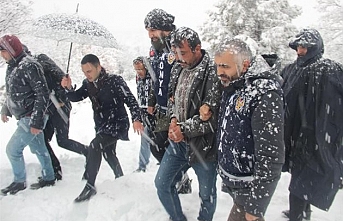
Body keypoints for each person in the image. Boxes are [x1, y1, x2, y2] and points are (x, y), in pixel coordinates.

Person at [154, 27, 221, 221]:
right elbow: (171, 100)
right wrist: (174, 120)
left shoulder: (213, 71)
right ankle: (177, 218)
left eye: (183, 53)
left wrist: (184, 129)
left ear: (197, 48)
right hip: (179, 144)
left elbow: (213, 118)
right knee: (162, 184)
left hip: (204, 147)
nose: (179, 58)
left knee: (207, 195)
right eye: (175, 53)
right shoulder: (176, 67)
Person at [214, 38, 284, 221]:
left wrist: (256, 205)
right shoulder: (235, 83)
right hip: (237, 183)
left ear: (245, 64)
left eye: (224, 66)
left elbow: (271, 154)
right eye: (217, 66)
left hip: (249, 186)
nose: (219, 72)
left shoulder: (265, 93)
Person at [61, 54, 144, 202]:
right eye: (84, 72)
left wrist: (136, 119)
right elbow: (76, 97)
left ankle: (90, 186)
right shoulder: (88, 83)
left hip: (117, 123)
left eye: (89, 71)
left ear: (98, 67)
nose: (87, 75)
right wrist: (67, 88)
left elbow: (130, 100)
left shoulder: (115, 81)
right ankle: (120, 178)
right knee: (108, 153)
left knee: (95, 145)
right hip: (101, 124)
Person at [281, 28, 343, 221]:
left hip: (316, 133)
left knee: (304, 175)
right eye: (299, 46)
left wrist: (324, 133)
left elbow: (334, 104)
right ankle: (302, 211)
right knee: (299, 174)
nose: (300, 51)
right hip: (294, 132)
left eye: (306, 47)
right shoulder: (292, 69)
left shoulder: (328, 69)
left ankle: (297, 215)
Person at [0, 35, 55, 195]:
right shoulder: (13, 66)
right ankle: (49, 177)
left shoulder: (30, 66)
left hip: (31, 117)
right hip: (25, 116)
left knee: (12, 150)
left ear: (11, 50)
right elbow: (12, 92)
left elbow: (42, 94)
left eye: (3, 51)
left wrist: (36, 122)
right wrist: (6, 109)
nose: (2, 55)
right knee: (39, 148)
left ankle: (19, 182)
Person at [23, 45, 88, 181]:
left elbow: (61, 78)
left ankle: (89, 152)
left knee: (62, 141)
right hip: (49, 110)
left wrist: (63, 92)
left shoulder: (41, 60)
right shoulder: (27, 70)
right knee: (43, 140)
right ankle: (55, 170)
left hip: (61, 107)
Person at [144, 8, 192, 193]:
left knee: (181, 148)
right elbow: (154, 77)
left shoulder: (180, 44)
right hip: (162, 108)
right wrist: (151, 100)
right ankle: (181, 178)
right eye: (148, 31)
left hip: (180, 108)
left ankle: (181, 177)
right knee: (157, 146)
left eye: (153, 30)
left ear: (165, 29)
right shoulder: (154, 50)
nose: (150, 35)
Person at [133, 56, 155, 172]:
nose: (139, 72)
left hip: (155, 113)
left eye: (140, 69)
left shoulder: (153, 78)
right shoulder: (138, 79)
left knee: (152, 138)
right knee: (145, 137)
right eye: (136, 70)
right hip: (144, 112)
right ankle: (142, 165)